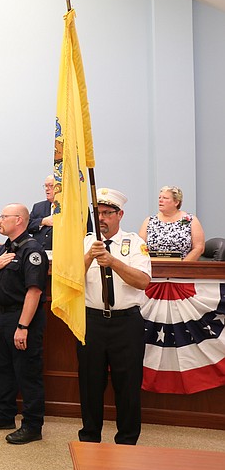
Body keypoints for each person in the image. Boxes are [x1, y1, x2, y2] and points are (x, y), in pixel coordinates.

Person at [80, 188, 151, 444]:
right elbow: (70, 282)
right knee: (90, 384)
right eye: (97, 213)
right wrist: (90, 256)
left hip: (126, 323)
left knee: (128, 386)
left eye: (107, 213)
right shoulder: (85, 242)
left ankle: (127, 441)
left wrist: (113, 261)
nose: (101, 218)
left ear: (120, 214)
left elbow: (143, 281)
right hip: (92, 322)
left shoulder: (134, 243)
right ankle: (89, 438)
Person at [0, 203, 48, 445]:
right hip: (2, 316)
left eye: (3, 216)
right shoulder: (3, 250)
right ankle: (5, 415)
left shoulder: (33, 250)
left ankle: (32, 425)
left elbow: (34, 291)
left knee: (27, 372)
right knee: (3, 369)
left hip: (22, 317)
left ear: (19, 220)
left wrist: (23, 327)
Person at [138, 185, 205, 261]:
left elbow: (199, 248)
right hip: (153, 268)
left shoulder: (188, 220)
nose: (160, 200)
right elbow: (140, 247)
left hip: (182, 268)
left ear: (176, 202)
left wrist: (181, 267)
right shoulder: (150, 221)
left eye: (165, 198)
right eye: (159, 198)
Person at [29, 175, 93, 250]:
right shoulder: (38, 207)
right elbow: (27, 226)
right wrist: (43, 221)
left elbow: (88, 233)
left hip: (67, 252)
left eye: (50, 186)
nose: (46, 189)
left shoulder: (78, 208)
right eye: (45, 186)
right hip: (42, 254)